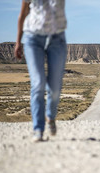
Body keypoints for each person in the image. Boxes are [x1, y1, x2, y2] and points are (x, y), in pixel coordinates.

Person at [15, 0, 67, 142]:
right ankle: (38, 129)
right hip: (33, 37)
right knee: (38, 83)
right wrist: (18, 41)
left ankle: (50, 116)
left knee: (55, 87)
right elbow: (23, 13)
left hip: (57, 38)